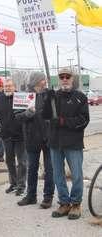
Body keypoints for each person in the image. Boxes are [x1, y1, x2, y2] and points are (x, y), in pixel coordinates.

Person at [42, 67, 89, 220]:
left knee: (76, 175)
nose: (64, 79)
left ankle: (76, 204)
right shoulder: (53, 96)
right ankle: (64, 202)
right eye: (61, 76)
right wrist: (47, 100)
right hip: (55, 142)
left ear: (72, 78)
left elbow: (83, 120)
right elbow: (45, 115)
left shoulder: (80, 97)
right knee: (57, 175)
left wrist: (62, 121)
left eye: (67, 76)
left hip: (73, 143)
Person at [15, 72, 54, 209]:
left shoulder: (49, 95)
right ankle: (31, 196)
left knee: (50, 169)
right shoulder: (25, 96)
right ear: (37, 81)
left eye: (44, 79)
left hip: (48, 137)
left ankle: (48, 197)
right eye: (42, 79)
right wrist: (27, 113)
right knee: (32, 168)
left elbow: (55, 113)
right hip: (31, 137)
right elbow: (17, 117)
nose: (44, 82)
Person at [0, 78, 27, 196]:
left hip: (20, 136)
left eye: (10, 86)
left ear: (14, 87)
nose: (7, 88)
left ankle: (21, 185)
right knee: (9, 161)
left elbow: (28, 115)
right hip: (6, 136)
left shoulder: (21, 98)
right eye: (6, 86)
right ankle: (14, 183)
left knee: (22, 162)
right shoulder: (0, 99)